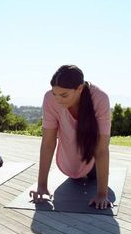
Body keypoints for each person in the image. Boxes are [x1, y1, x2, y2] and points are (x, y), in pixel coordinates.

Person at [29, 65, 112, 209]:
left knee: (91, 174)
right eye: (55, 94)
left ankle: (90, 173)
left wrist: (102, 194)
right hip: (69, 160)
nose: (58, 100)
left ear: (79, 89)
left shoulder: (100, 98)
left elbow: (102, 149)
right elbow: (48, 143)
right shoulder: (50, 99)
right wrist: (41, 186)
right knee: (75, 174)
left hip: (92, 159)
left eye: (64, 95)